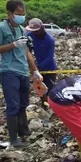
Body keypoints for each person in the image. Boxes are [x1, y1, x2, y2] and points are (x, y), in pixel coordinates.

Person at [0, 0, 43, 148]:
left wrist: (34, 70)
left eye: (23, 14)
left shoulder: (22, 30)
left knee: (23, 103)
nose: (21, 17)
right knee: (13, 105)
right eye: (19, 14)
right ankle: (13, 138)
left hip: (23, 70)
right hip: (9, 70)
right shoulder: (2, 27)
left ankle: (23, 130)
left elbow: (26, 52)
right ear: (10, 13)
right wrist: (13, 45)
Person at [26, 18, 57, 109]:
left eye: (37, 31)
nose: (35, 33)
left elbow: (49, 57)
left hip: (50, 68)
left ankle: (51, 106)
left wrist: (38, 67)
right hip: (37, 68)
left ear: (41, 28)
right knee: (40, 89)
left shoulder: (49, 40)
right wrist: (32, 66)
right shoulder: (30, 36)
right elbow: (28, 51)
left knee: (49, 89)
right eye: (33, 31)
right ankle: (44, 104)